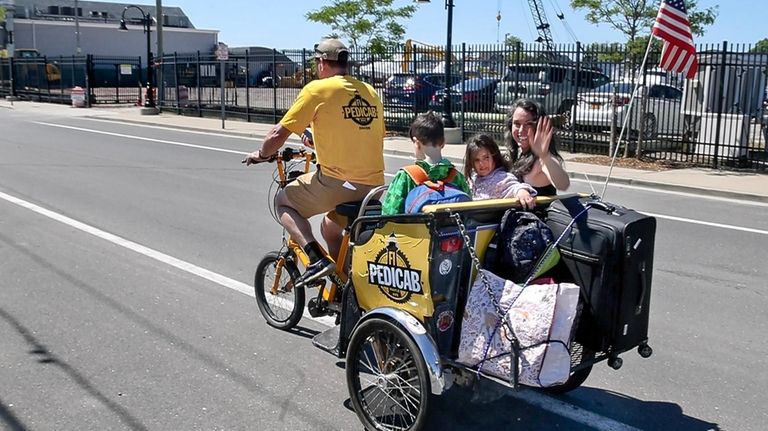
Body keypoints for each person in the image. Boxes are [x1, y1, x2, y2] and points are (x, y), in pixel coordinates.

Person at [244, 39, 385, 286]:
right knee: (330, 228)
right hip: (373, 188)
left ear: (321, 63)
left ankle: (316, 259)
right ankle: (347, 284)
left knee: (283, 202)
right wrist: (318, 145)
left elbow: (278, 134)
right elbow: (360, 135)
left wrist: (262, 154)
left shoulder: (317, 89)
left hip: (339, 184)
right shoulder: (369, 91)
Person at [381, 111, 470, 215]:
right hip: (450, 231)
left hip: (414, 231)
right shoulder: (456, 177)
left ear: (417, 143)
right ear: (443, 143)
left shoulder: (406, 176)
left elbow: (390, 214)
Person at [504, 99, 570, 195]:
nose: (521, 130)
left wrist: (544, 155)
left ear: (540, 126)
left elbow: (563, 184)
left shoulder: (542, 161)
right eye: (517, 124)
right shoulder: (515, 154)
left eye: (528, 124)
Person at [462, 133, 537, 209]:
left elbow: (515, 186)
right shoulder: (473, 178)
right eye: (476, 160)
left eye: (486, 158)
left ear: (494, 157)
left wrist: (522, 192)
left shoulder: (501, 178)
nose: (482, 164)